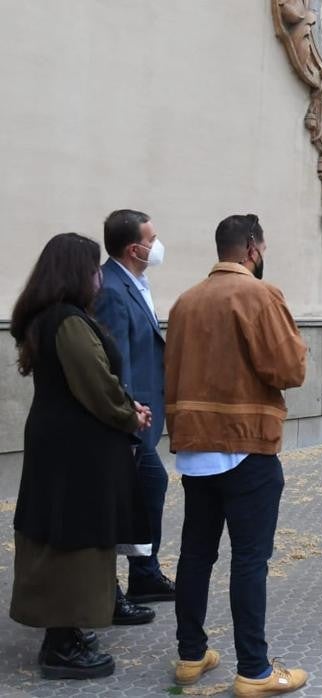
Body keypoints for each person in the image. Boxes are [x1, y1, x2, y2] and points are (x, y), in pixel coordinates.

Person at [165, 214, 309, 695]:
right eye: (262, 246)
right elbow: (289, 368)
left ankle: (190, 654)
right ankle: (255, 669)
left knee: (195, 553)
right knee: (250, 559)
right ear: (251, 248)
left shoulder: (185, 302)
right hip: (246, 444)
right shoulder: (260, 295)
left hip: (194, 447)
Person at [8, 233, 153, 680]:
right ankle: (61, 642)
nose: (98, 277)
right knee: (74, 536)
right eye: (94, 268)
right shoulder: (67, 321)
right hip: (76, 453)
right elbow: (97, 384)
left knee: (67, 532)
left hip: (65, 447)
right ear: (76, 272)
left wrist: (126, 408)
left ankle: (69, 629)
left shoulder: (54, 318)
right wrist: (129, 413)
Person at [94, 209, 173, 625]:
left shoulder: (135, 282)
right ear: (134, 247)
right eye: (152, 237)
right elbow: (113, 360)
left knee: (147, 490)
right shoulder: (110, 288)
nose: (157, 244)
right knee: (131, 496)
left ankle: (143, 573)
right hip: (129, 420)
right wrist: (126, 414)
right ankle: (115, 589)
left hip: (140, 415)